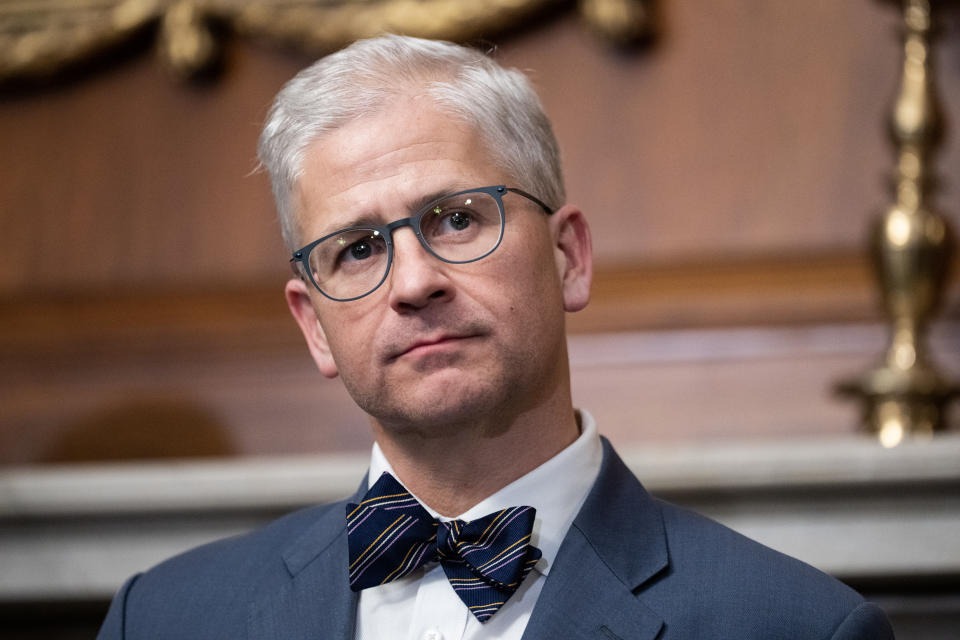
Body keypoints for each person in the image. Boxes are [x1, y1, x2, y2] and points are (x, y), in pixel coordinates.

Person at [97, 35, 894, 639]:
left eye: (456, 218)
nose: (413, 283)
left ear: (568, 256)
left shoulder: (795, 627)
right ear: (314, 325)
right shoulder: (162, 618)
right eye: (359, 248)